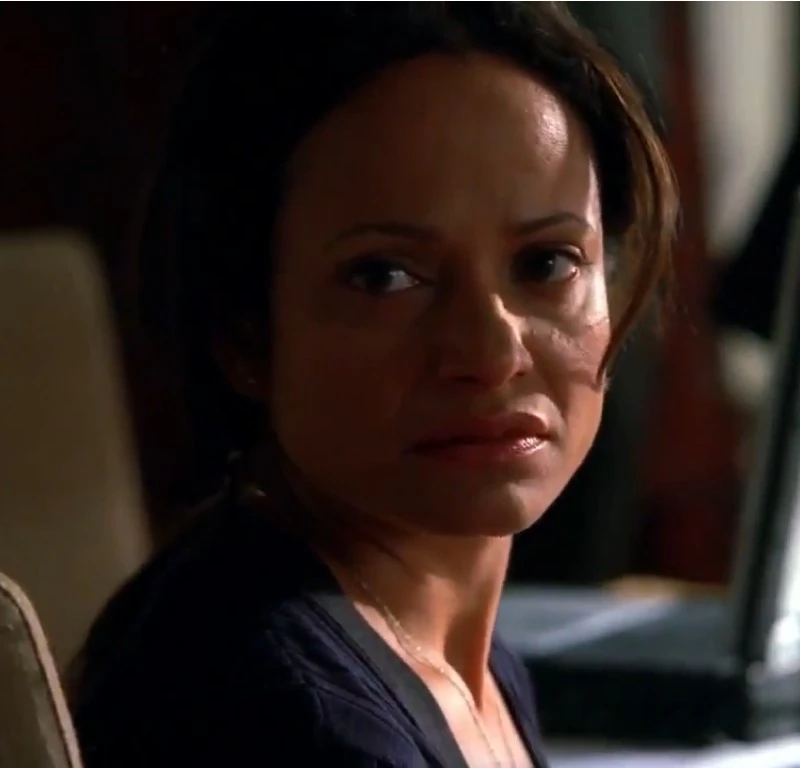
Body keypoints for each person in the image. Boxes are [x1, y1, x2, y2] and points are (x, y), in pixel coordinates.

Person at [71, 4, 677, 767]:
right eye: (385, 276)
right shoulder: (288, 714)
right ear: (244, 332)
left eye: (547, 263)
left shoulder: (451, 650)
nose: (492, 351)